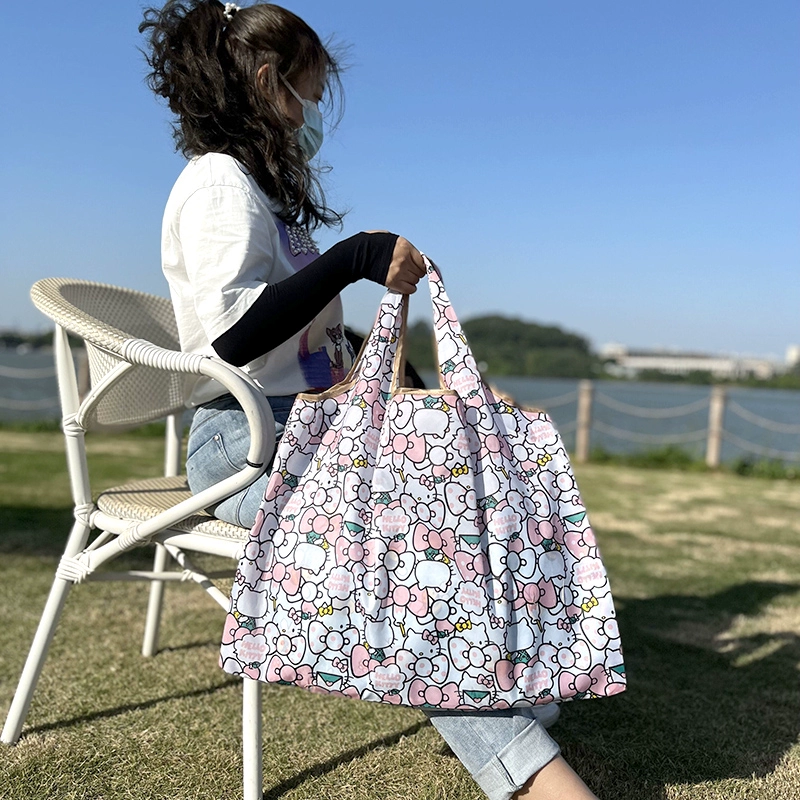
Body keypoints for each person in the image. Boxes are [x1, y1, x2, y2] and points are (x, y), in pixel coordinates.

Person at [140, 3, 599, 798]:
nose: (311, 117)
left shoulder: (260, 195)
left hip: (298, 432)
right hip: (242, 445)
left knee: (440, 508)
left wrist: (426, 392)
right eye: (309, 95)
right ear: (268, 81)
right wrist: (355, 256)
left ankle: (496, 688)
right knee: (399, 544)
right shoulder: (218, 182)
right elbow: (230, 338)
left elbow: (318, 343)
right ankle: (530, 768)